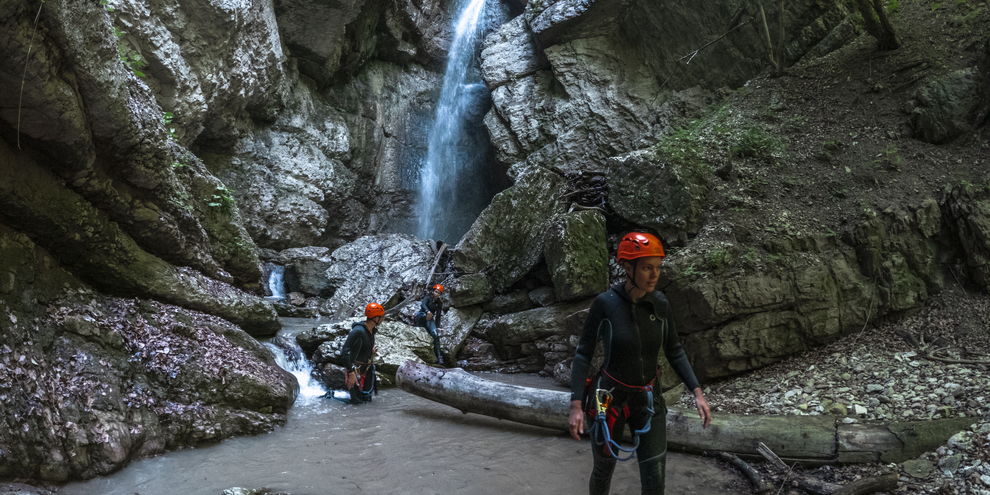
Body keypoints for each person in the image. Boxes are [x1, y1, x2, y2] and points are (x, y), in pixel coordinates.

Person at [568, 232, 711, 495]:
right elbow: (583, 354)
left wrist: (697, 392)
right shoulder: (605, 305)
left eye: (657, 267)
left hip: (648, 400)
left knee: (655, 479)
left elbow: (675, 350)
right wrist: (576, 404)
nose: (654, 275)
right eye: (647, 268)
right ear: (627, 267)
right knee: (603, 471)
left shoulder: (660, 304)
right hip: (608, 400)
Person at [341, 302, 384, 404]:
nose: (383, 319)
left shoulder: (371, 331)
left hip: (367, 370)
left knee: (367, 400)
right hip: (355, 371)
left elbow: (360, 349)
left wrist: (370, 352)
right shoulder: (358, 331)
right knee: (357, 403)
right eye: (382, 317)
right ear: (376, 318)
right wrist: (351, 373)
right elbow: (345, 351)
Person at [414, 284, 445, 365]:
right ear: (433, 291)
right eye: (435, 292)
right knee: (424, 315)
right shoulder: (427, 297)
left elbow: (438, 315)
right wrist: (427, 311)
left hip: (430, 319)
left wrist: (438, 326)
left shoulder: (439, 303)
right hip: (421, 316)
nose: (436, 294)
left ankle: (439, 357)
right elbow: (423, 304)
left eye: (438, 293)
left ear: (440, 294)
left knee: (435, 334)